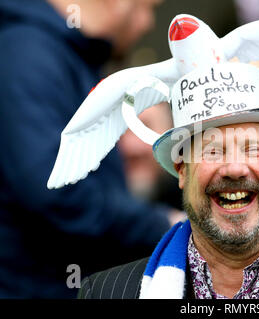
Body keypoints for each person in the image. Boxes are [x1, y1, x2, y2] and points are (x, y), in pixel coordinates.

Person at [51, 14, 259, 299]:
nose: (234, 168)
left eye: (253, 148)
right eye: (213, 150)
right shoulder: (106, 293)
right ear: (182, 169)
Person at [0, 0, 179, 298]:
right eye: (147, 7)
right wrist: (160, 224)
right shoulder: (28, 52)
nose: (147, 23)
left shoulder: (61, 54)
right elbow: (54, 189)